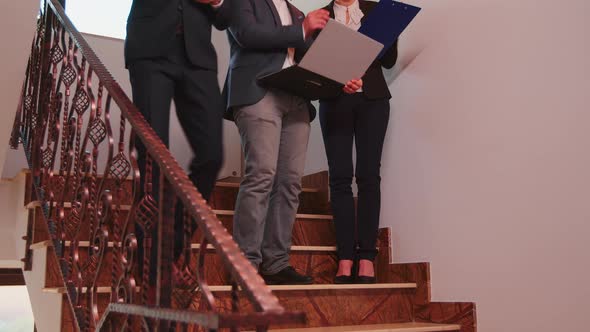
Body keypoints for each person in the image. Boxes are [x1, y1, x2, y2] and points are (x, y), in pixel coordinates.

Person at [224, 0, 362, 285]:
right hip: (258, 91)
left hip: (296, 99)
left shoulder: (297, 12)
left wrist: (342, 78)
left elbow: (312, 60)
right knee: (261, 174)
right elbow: (247, 34)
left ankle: (275, 263)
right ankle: (245, 264)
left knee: (289, 182)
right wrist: (302, 29)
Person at [124, 0, 232, 286]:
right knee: (153, 156)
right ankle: (150, 262)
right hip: (150, 49)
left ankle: (171, 247)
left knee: (211, 157)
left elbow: (227, 17)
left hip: (198, 59)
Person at [316, 0, 398, 284]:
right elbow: (315, 68)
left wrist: (390, 28)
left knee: (368, 177)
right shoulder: (320, 16)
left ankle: (366, 258)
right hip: (334, 101)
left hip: (373, 101)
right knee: (339, 178)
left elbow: (389, 61)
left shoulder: (376, 10)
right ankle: (345, 257)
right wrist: (339, 81)